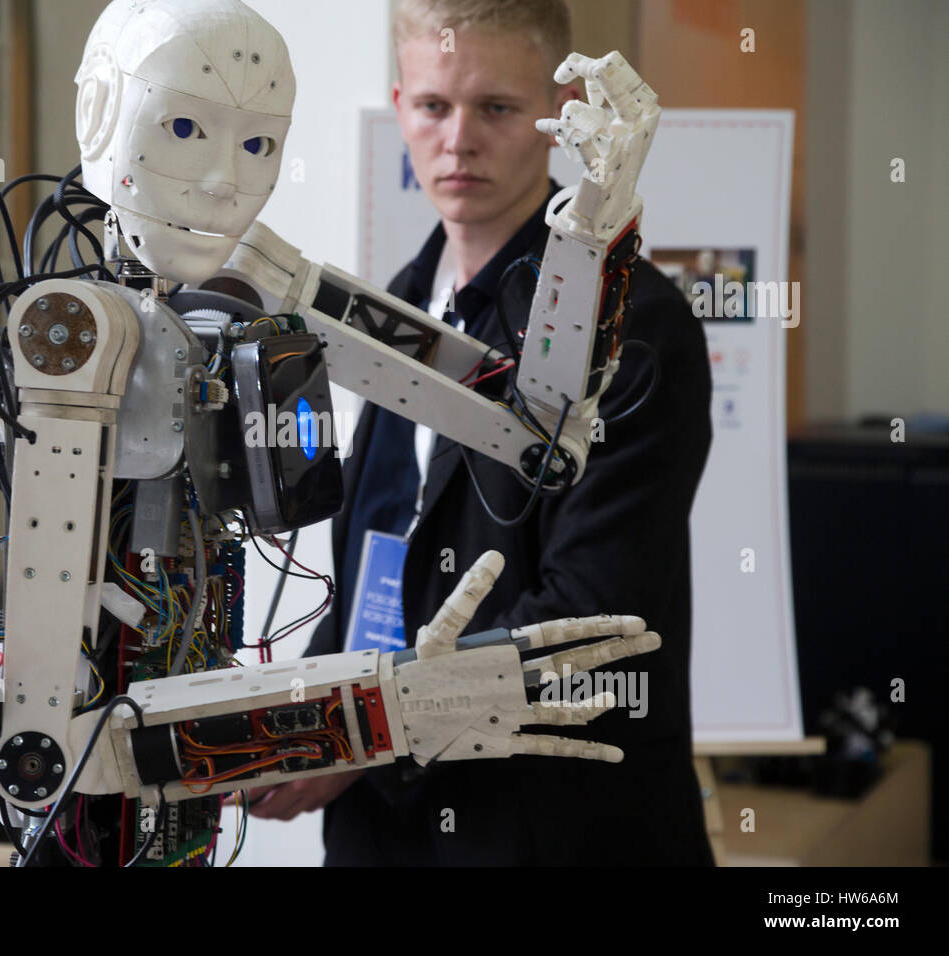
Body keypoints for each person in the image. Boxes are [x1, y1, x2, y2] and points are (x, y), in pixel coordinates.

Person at [247, 0, 715, 865]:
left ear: (556, 123)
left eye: (496, 108)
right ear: (400, 108)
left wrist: (353, 737)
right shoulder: (393, 304)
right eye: (433, 107)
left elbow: (588, 622)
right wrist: (289, 717)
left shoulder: (632, 328)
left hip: (553, 831)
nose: (458, 140)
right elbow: (370, 577)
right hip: (385, 833)